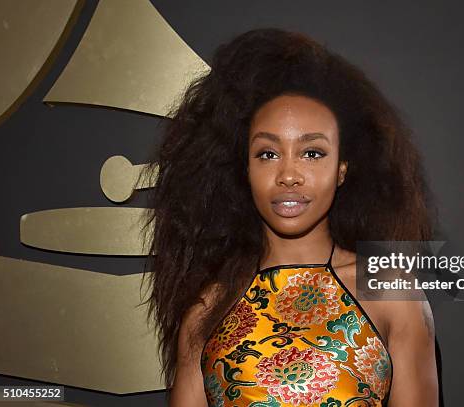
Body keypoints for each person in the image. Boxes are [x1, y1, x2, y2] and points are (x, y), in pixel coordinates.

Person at [139, 28, 439, 406]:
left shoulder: (392, 295)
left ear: (342, 169)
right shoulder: (206, 312)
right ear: (245, 169)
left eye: (312, 153)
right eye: (268, 153)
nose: (289, 174)